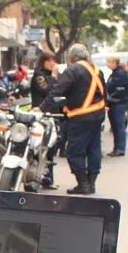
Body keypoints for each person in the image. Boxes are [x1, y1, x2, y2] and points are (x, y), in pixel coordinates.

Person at [37, 44, 106, 195]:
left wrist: (42, 108)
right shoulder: (96, 70)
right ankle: (91, 183)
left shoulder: (73, 70)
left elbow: (57, 90)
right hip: (97, 115)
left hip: (81, 117)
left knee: (74, 151)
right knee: (94, 149)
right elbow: (103, 92)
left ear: (72, 57)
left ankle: (83, 184)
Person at [29, 52, 60, 190]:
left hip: (52, 115)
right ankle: (35, 177)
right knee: (39, 148)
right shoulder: (39, 76)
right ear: (44, 62)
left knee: (51, 148)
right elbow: (47, 90)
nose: (53, 63)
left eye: (54, 61)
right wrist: (53, 76)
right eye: (50, 61)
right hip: (41, 116)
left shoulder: (47, 75)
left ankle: (48, 179)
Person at [104, 57, 128, 158]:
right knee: (115, 126)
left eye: (109, 62)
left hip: (118, 102)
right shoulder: (115, 73)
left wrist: (110, 96)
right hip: (114, 102)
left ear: (115, 63)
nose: (108, 64)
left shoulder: (120, 74)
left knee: (119, 126)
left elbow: (116, 88)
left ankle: (120, 149)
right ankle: (117, 148)